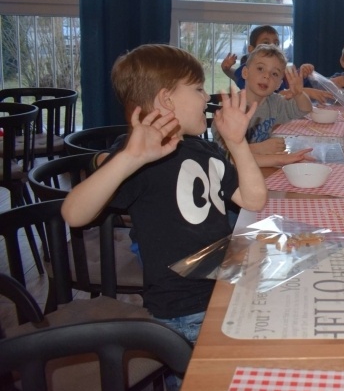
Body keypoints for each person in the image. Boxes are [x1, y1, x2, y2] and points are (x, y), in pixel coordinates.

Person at [61, 44, 268, 348]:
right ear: (166, 100)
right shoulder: (140, 156)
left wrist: (237, 143)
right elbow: (74, 214)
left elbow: (254, 200)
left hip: (223, 288)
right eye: (198, 89)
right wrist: (128, 159)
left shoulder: (204, 148)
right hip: (185, 310)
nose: (206, 97)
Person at [216, 44, 315, 167]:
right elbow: (223, 154)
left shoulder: (274, 102)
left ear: (279, 84)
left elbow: (305, 109)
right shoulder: (232, 108)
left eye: (274, 74)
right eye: (260, 68)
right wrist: (260, 148)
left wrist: (299, 94)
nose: (267, 76)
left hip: (262, 166)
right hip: (231, 172)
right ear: (245, 72)